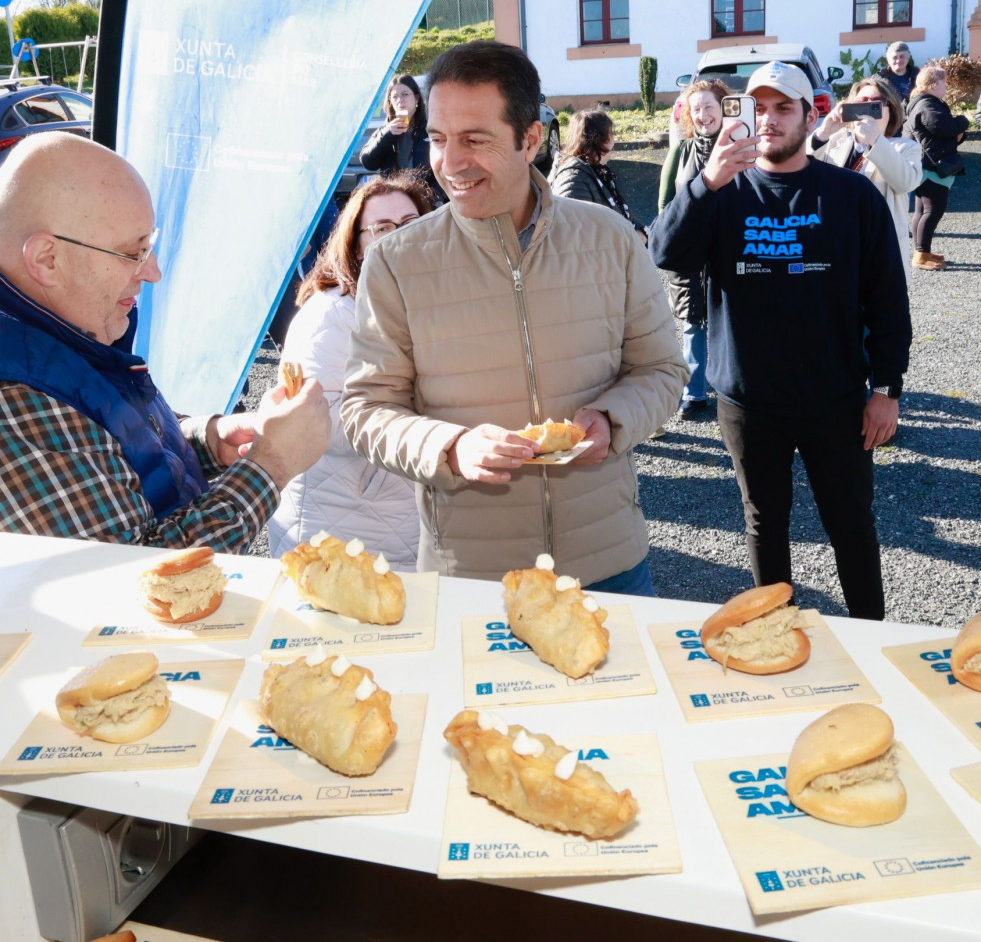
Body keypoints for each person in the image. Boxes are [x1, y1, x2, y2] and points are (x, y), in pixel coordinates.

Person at [342, 40, 687, 594]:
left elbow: (663, 371)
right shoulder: (396, 262)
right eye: (437, 139)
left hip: (609, 564)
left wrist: (613, 419)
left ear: (531, 139)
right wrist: (449, 447)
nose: (450, 163)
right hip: (472, 579)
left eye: (475, 140)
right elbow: (365, 409)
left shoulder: (611, 240)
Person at [650, 61, 912, 620]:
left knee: (851, 525)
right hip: (747, 402)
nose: (768, 120)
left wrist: (886, 388)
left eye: (783, 107)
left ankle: (871, 636)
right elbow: (665, 254)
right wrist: (706, 182)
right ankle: (773, 633)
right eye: (757, 107)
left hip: (836, 399)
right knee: (765, 523)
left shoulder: (851, 195)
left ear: (811, 114)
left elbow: (887, 299)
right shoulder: (720, 191)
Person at [0, 133, 331, 550]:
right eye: (133, 253)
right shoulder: (12, 399)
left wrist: (206, 439)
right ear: (47, 259)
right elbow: (134, 580)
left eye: (149, 246)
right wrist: (272, 465)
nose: (153, 271)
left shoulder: (59, 325)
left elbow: (106, 434)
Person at [267, 175, 433, 568]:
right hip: (340, 526)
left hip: (397, 514)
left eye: (411, 224)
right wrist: (431, 416)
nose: (398, 237)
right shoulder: (331, 313)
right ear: (356, 245)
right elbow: (315, 421)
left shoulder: (424, 302)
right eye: (381, 229)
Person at [657, 79, 731, 417]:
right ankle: (695, 391)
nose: (703, 115)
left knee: (733, 318)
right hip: (690, 255)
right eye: (696, 108)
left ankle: (732, 383)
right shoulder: (680, 152)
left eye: (709, 107)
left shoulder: (742, 147)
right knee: (692, 322)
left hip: (730, 251)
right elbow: (665, 207)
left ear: (724, 109)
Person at [808, 75, 921, 284]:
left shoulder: (904, 147)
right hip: (835, 243)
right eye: (861, 103)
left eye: (876, 103)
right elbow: (799, 169)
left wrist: (876, 140)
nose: (868, 108)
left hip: (879, 247)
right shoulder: (835, 142)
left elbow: (906, 182)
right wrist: (823, 133)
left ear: (891, 110)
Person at [904, 64, 970, 272]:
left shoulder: (921, 103)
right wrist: (963, 121)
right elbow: (943, 127)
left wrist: (957, 132)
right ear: (933, 84)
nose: (946, 87)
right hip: (932, 165)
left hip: (924, 164)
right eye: (944, 82)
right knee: (933, 210)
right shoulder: (927, 104)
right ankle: (921, 256)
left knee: (922, 210)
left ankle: (921, 251)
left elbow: (938, 132)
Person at [547, 109, 647, 242]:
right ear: (598, 139)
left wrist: (642, 232)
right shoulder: (573, 177)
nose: (614, 140)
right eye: (610, 133)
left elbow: (624, 215)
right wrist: (631, 240)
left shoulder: (599, 172)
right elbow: (574, 237)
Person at [359, 74, 444, 202]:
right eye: (395, 97)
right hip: (395, 200)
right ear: (390, 102)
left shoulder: (431, 127)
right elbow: (368, 162)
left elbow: (444, 165)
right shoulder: (386, 129)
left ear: (416, 98)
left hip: (426, 202)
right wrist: (387, 134)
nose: (400, 100)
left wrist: (432, 196)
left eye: (405, 94)